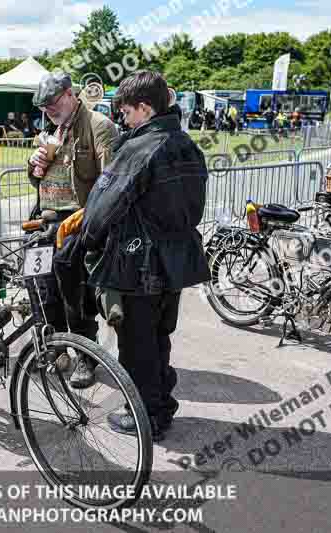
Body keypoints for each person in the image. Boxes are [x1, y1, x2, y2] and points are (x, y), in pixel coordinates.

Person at [78, 70, 210, 441]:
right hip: (175, 263)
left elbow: (102, 208)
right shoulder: (187, 143)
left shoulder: (140, 148)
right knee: (159, 338)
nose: (122, 117)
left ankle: (147, 418)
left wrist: (86, 240)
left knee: (137, 347)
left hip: (141, 264)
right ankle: (161, 406)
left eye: (127, 111)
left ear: (145, 108)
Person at [26, 71, 118, 388]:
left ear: (69, 94)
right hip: (43, 223)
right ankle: (56, 351)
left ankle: (86, 358)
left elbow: (110, 183)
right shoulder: (53, 129)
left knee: (74, 297)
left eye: (51, 103)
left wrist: (93, 226)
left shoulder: (98, 126)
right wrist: (33, 165)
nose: (47, 111)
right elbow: (41, 179)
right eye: (43, 107)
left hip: (74, 225)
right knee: (41, 291)